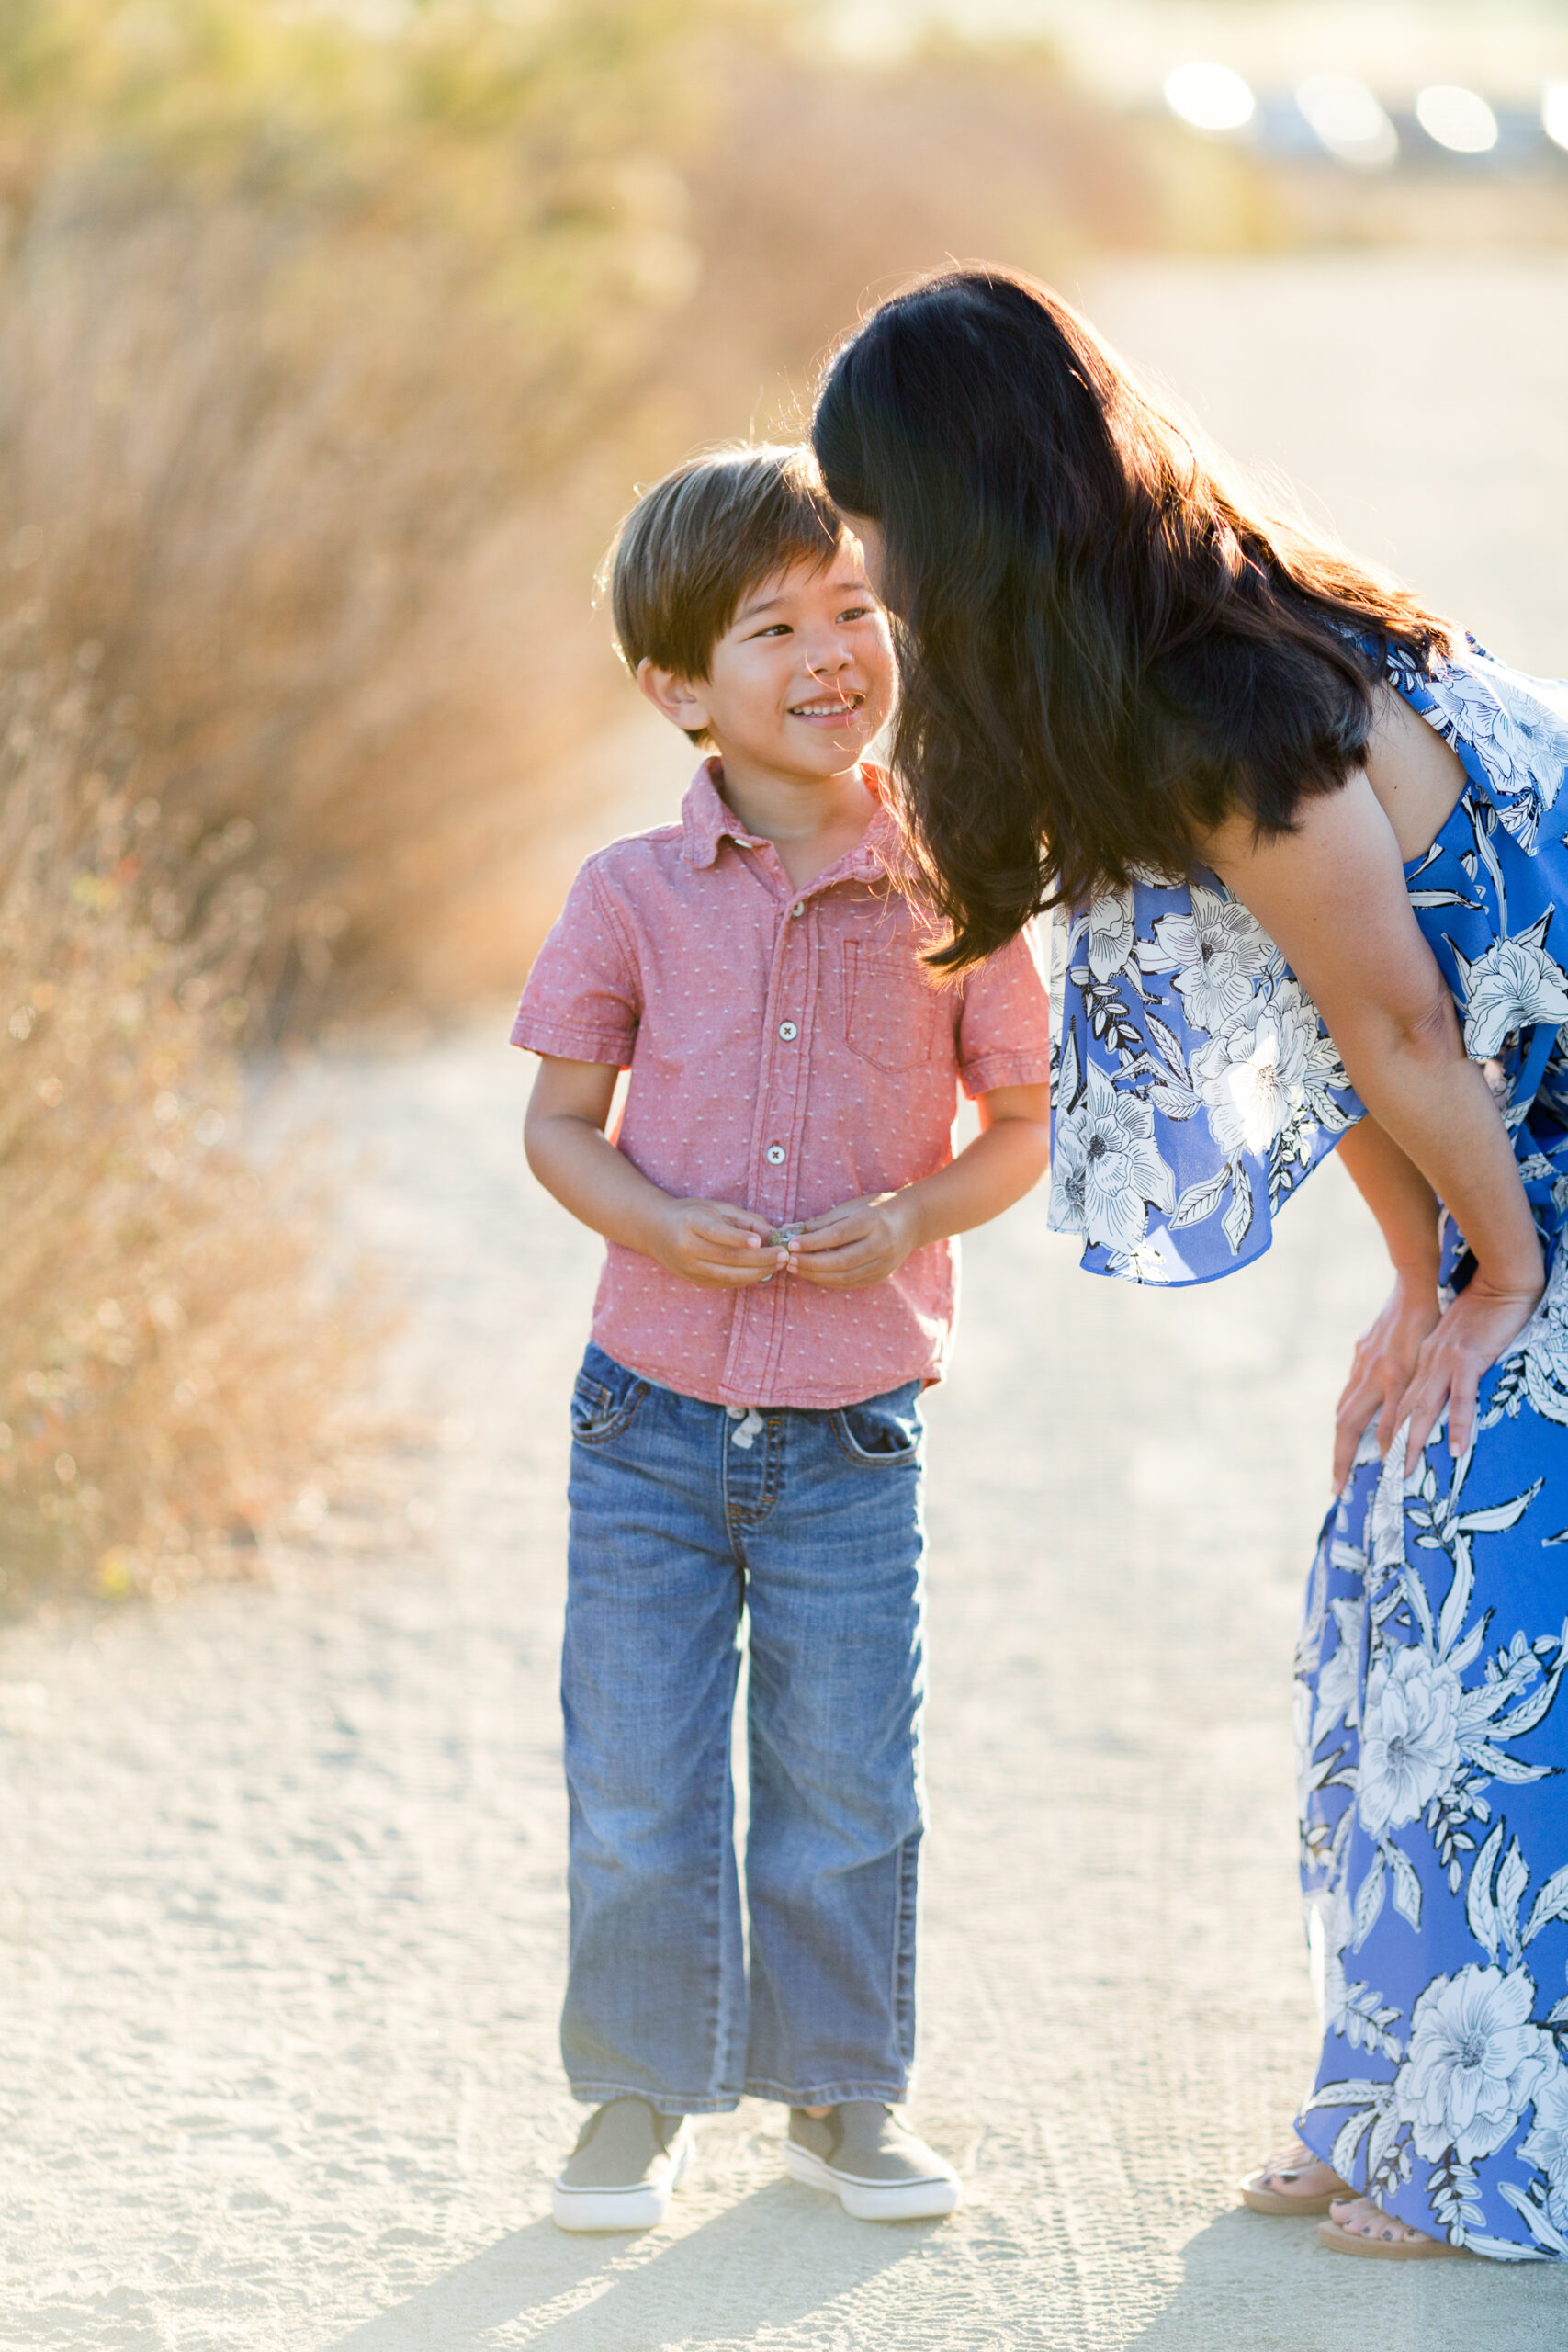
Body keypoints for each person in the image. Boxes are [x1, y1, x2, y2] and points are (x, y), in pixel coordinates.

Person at [811, 266, 1568, 2262]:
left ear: (967, 503)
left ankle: (1485, 2132)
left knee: (1485, 1565)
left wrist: (1492, 1286)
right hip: (1529, 1146)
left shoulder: (1234, 682)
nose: (863, 562)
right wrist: (1427, 1286)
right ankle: (1403, 2082)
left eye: (875, 515)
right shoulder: (1157, 666)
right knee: (1394, 1542)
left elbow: (1409, 1023)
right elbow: (1319, 1038)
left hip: (1539, 1151)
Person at [513, 443, 1054, 2232]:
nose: (831, 649)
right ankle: (635, 2099)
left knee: (840, 1773)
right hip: (645, 1415)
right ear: (679, 686)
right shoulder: (629, 896)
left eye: (853, 609)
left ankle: (842, 2096)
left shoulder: (954, 873)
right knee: (637, 1776)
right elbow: (557, 1123)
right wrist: (654, 1219)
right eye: (774, 625)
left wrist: (909, 1217)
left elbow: (1020, 1123)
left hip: (851, 1425)